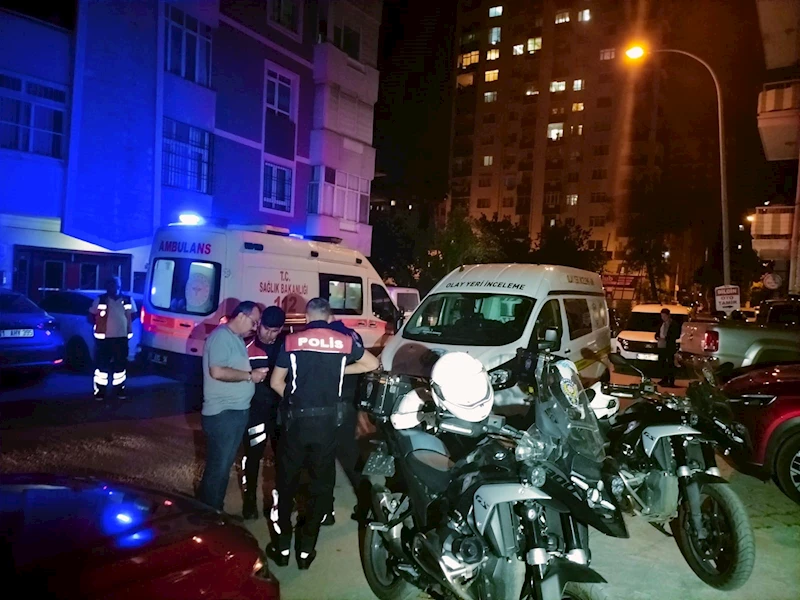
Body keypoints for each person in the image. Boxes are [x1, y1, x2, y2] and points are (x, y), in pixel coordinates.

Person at [266, 298, 379, 570]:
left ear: (306, 317)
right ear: (329, 318)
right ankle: (306, 551)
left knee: (286, 484)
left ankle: (282, 548)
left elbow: (275, 382)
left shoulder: (291, 341)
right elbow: (372, 364)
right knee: (320, 486)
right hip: (327, 425)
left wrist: (293, 401)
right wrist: (340, 370)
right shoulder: (343, 341)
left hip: (296, 425)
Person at [198, 301, 266, 511]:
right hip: (223, 414)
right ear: (242, 316)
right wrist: (250, 376)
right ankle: (208, 514)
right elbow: (217, 371)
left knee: (222, 466)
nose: (255, 327)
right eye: (254, 322)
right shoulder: (221, 337)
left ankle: (214, 510)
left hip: (234, 412)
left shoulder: (235, 338)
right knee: (218, 468)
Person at [320, 318, 369, 527]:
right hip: (350, 401)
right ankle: (366, 505)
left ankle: (326, 510)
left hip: (332, 402)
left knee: (325, 458)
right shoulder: (353, 335)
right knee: (351, 456)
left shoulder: (328, 338)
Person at [241, 305, 286, 520]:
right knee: (253, 457)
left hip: (280, 413)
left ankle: (279, 503)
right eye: (266, 329)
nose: (269, 335)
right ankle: (250, 501)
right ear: (259, 325)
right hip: (255, 412)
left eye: (275, 331)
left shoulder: (286, 346)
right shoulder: (246, 346)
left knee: (283, 460)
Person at [89, 276, 133, 401]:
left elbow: (132, 315)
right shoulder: (100, 299)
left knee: (120, 367)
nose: (114, 287)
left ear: (120, 286)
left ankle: (119, 390)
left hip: (121, 338)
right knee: (102, 367)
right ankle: (100, 392)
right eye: (111, 285)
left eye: (116, 285)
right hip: (104, 339)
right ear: (107, 287)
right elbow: (91, 316)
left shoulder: (127, 300)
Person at [655, 307, 680, 388]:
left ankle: (671, 381)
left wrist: (666, 338)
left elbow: (676, 335)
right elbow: (657, 333)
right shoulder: (661, 324)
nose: (663, 318)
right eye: (662, 316)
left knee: (670, 364)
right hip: (661, 346)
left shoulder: (673, 324)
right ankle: (664, 379)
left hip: (669, 346)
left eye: (664, 316)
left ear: (668, 315)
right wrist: (657, 337)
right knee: (662, 364)